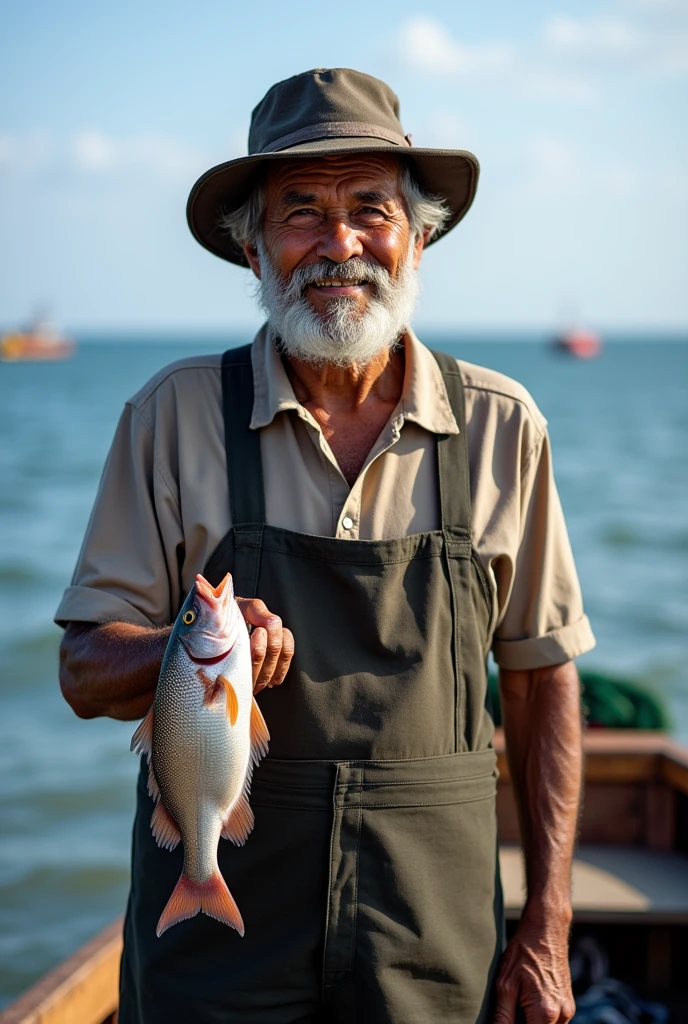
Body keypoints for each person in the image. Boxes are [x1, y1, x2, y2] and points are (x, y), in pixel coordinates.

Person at [57, 68, 595, 1024]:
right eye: (300, 210)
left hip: (434, 927)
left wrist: (546, 924)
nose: (338, 243)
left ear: (419, 237)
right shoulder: (173, 416)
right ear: (252, 246)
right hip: (216, 943)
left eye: (370, 209)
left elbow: (544, 679)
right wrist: (189, 648)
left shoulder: (504, 425)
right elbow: (85, 670)